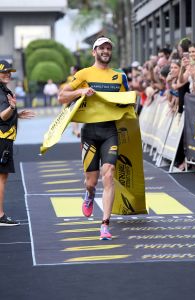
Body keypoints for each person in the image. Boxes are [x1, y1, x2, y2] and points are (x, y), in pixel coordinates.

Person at [58, 36, 129, 240]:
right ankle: (89, 194)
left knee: (109, 174)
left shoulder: (119, 76)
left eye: (108, 48)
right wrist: (80, 90)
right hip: (89, 132)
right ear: (94, 52)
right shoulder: (84, 74)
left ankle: (105, 225)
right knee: (92, 181)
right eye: (102, 48)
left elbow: (127, 100)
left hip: (110, 132)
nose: (106, 51)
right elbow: (62, 97)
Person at [0, 60, 35, 226]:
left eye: (9, 71)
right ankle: (0, 215)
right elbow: (2, 116)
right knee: (1, 177)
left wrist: (17, 114)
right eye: (4, 71)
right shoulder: (1, 92)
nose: (8, 74)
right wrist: (12, 109)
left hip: (4, 137)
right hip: (2, 138)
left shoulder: (3, 89)